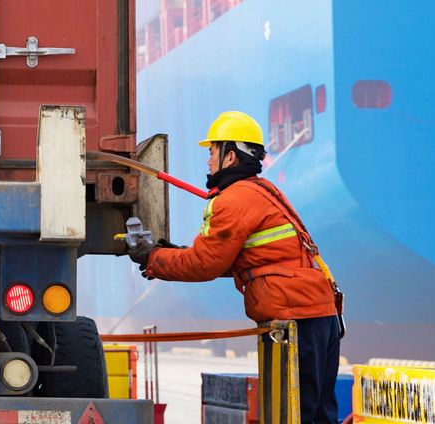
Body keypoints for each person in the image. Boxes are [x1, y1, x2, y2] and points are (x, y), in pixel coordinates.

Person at [129, 111, 342, 424]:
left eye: (212, 152)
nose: (208, 161)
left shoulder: (233, 200)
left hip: (295, 319)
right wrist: (173, 254)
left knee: (295, 415)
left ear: (230, 156)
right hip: (320, 314)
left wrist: (152, 258)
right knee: (318, 414)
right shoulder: (265, 191)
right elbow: (247, 258)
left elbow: (204, 264)